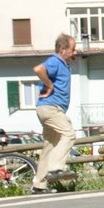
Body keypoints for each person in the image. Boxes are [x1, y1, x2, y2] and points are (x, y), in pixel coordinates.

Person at [30, 33, 77, 195]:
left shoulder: (63, 63)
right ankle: (55, 168)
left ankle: (39, 184)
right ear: (62, 49)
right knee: (69, 133)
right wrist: (49, 85)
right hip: (50, 108)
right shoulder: (55, 61)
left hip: (48, 109)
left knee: (49, 145)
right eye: (73, 49)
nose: (75, 52)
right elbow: (38, 69)